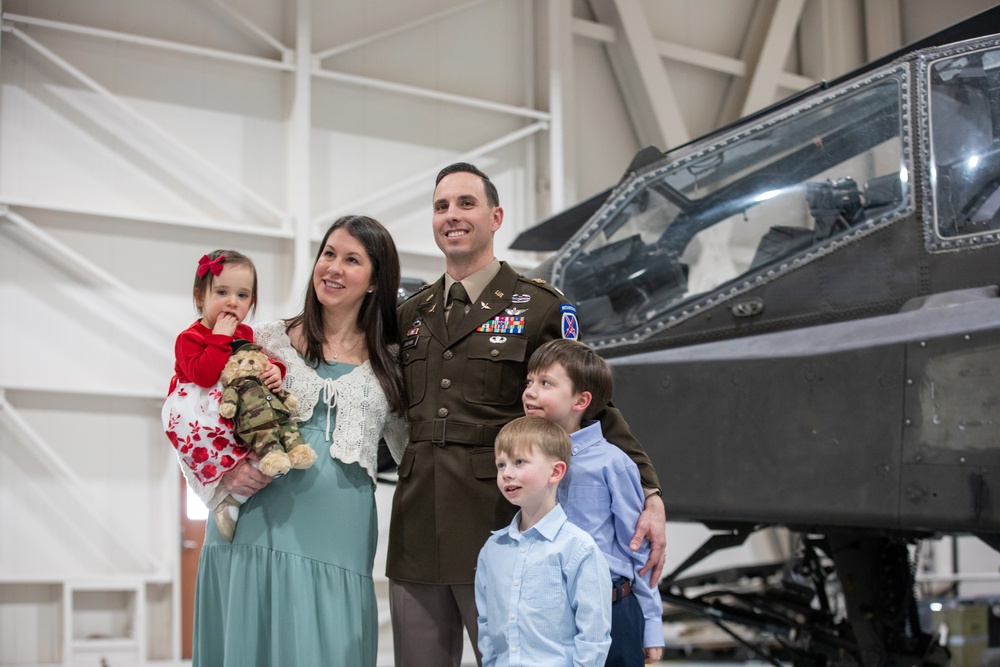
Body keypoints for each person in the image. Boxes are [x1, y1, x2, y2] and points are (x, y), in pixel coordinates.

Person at [388, 161, 667, 667]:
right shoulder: (412, 313)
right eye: (441, 206)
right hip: (417, 525)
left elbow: (590, 399)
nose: (452, 215)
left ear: (495, 217)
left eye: (466, 203)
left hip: (503, 523)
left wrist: (649, 491)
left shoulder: (538, 307)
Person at [183, 216, 408, 666]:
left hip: (337, 541)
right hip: (251, 526)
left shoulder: (393, 363)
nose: (334, 268)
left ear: (375, 280)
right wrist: (223, 475)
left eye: (351, 259)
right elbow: (188, 412)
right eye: (328, 254)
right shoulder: (264, 338)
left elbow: (411, 454)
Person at [524, 339, 665, 666]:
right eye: (528, 382)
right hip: (547, 609)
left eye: (545, 383)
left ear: (581, 400)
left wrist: (652, 625)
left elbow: (638, 548)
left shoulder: (613, 464)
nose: (530, 391)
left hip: (611, 608)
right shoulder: (523, 462)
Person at [162, 249, 285, 542]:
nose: (232, 301)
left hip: (230, 402)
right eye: (222, 292)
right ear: (199, 297)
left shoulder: (244, 333)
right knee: (211, 449)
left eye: (243, 296)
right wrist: (219, 337)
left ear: (251, 303)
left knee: (262, 425)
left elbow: (258, 359)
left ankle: (244, 490)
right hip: (199, 407)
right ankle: (221, 498)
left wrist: (276, 370)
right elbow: (204, 375)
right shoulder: (189, 337)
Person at [475, 415, 612, 667]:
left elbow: (593, 636)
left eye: (519, 462)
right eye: (501, 465)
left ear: (556, 471)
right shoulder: (492, 550)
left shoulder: (578, 548)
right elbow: (486, 625)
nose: (507, 474)